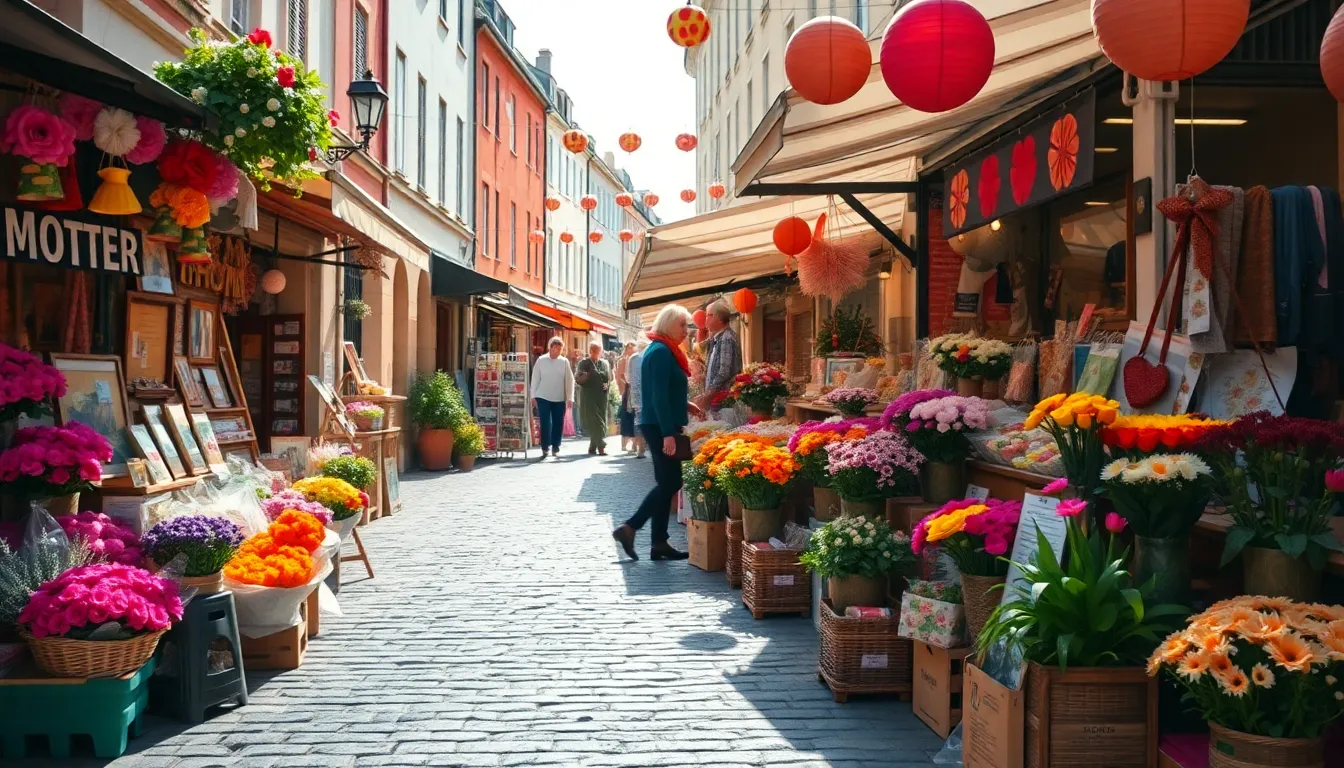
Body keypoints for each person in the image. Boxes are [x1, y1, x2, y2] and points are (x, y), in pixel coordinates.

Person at [612, 305, 703, 561]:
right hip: (659, 425)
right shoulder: (662, 351)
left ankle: (659, 542)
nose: (686, 331)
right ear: (668, 325)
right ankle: (630, 527)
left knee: (666, 482)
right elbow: (658, 396)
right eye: (682, 325)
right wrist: (667, 434)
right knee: (671, 482)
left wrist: (685, 404)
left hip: (658, 423)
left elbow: (663, 390)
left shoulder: (661, 349)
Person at [530, 337, 574, 458]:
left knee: (558, 422)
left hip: (559, 397)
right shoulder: (541, 360)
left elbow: (570, 380)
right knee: (545, 422)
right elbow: (535, 379)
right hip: (542, 396)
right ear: (551, 348)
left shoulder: (564, 362)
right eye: (557, 349)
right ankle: (545, 447)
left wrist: (570, 397)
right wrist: (533, 395)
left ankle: (556, 446)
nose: (559, 351)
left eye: (561, 349)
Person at [699, 300, 742, 414]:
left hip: (723, 403)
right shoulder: (717, 338)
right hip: (717, 402)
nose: (705, 320)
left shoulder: (726, 338)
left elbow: (724, 372)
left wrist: (708, 396)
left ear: (718, 318)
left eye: (708, 315)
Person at [575, 342, 613, 455]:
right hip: (589, 395)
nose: (597, 353)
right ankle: (601, 446)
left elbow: (609, 378)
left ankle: (592, 446)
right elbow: (578, 379)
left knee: (601, 419)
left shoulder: (604, 363)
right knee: (593, 420)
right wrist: (587, 375)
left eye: (598, 351)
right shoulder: (584, 363)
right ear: (590, 351)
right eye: (595, 351)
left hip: (602, 396)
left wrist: (607, 385)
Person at [626, 341, 648, 458]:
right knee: (649, 420)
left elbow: (628, 379)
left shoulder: (633, 358)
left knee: (638, 420)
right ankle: (646, 445)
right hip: (649, 394)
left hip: (636, 395)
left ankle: (640, 449)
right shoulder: (650, 355)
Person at [616, 342, 637, 451]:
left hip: (634, 391)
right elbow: (619, 376)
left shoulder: (636, 359)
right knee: (626, 417)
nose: (631, 349)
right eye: (629, 347)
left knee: (634, 417)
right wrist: (624, 388)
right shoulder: (622, 361)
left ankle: (634, 444)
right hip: (626, 391)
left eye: (632, 347)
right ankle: (624, 444)